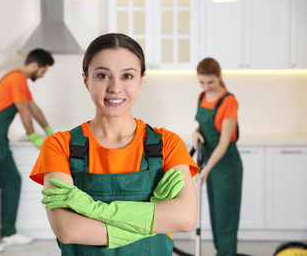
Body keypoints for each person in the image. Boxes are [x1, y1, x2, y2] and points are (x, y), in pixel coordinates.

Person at [30, 33, 199, 255]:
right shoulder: (60, 146)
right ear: (86, 80)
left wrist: (92, 209)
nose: (115, 88)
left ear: (141, 80)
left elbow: (185, 219)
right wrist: (156, 218)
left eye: (127, 76)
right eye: (102, 75)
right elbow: (69, 230)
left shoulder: (167, 144)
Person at [0, 49, 55, 253]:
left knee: (12, 181)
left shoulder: (20, 81)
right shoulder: (16, 78)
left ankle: (8, 233)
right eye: (43, 71)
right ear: (35, 66)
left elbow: (34, 109)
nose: (42, 75)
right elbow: (24, 111)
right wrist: (34, 136)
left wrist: (50, 133)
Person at [192, 57, 243, 256]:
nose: (206, 87)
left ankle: (227, 253)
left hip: (226, 166)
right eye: (202, 82)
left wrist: (206, 169)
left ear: (219, 76)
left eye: (210, 82)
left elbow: (223, 142)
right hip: (210, 165)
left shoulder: (229, 101)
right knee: (215, 214)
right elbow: (204, 127)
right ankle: (221, 252)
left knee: (225, 217)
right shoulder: (202, 97)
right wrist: (196, 132)